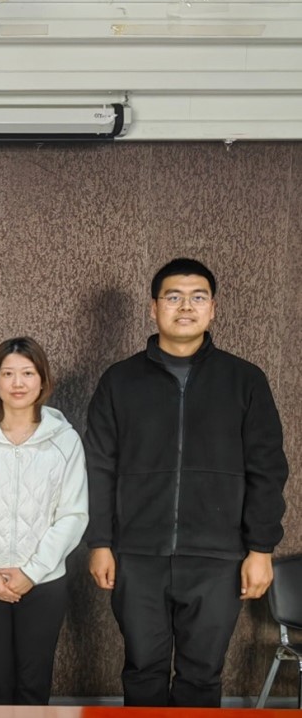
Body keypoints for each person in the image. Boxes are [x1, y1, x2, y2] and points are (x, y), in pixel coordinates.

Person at [84, 258, 289, 707]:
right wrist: (100, 542)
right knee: (142, 669)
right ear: (154, 307)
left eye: (198, 297)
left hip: (217, 557)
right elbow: (97, 468)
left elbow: (267, 469)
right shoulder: (119, 381)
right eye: (173, 297)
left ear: (213, 308)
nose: (185, 307)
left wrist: (261, 549)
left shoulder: (245, 380)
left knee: (202, 675)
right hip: (137, 554)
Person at [0, 336, 87, 705]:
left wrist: (32, 572)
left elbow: (73, 514)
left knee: (33, 683)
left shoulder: (65, 441)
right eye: (8, 374)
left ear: (43, 381)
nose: (18, 383)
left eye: (27, 373)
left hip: (43, 582)